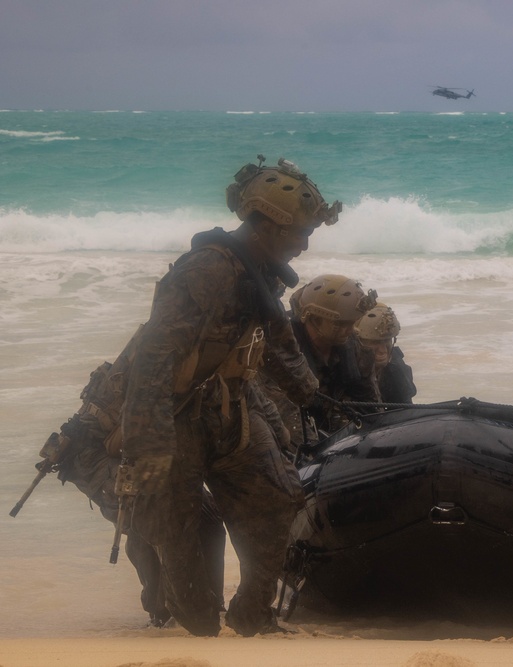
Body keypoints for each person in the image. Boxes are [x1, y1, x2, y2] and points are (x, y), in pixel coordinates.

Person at [120, 156, 339, 637]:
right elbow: (153, 359)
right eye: (299, 234)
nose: (304, 246)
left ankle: (252, 612)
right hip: (177, 420)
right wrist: (150, 447)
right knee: (177, 532)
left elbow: (277, 341)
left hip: (228, 411)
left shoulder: (258, 274)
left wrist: (309, 391)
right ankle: (194, 620)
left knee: (282, 497)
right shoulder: (206, 271)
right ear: (269, 227)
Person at [32, 327, 225, 628]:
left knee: (209, 518)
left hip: (131, 446)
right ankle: (161, 611)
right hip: (93, 454)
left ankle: (209, 602)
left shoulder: (199, 349)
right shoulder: (161, 350)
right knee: (147, 516)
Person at [260, 274, 378, 454]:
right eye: (341, 323)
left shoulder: (353, 347)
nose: (350, 329)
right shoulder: (281, 351)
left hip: (335, 430)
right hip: (290, 433)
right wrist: (320, 455)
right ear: (313, 318)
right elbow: (285, 414)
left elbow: (370, 403)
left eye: (353, 322)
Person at [355, 302, 417, 404]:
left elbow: (407, 411)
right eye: (375, 342)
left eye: (387, 341)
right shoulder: (345, 369)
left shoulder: (395, 369)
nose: (382, 350)